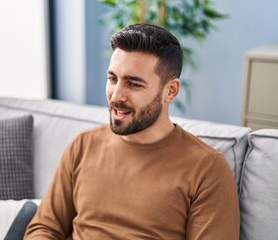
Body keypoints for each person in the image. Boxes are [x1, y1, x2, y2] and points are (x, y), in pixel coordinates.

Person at [24, 23, 240, 240]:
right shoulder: (83, 145)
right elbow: (44, 228)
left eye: (134, 84)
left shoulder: (207, 170)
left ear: (171, 90)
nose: (116, 95)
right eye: (112, 79)